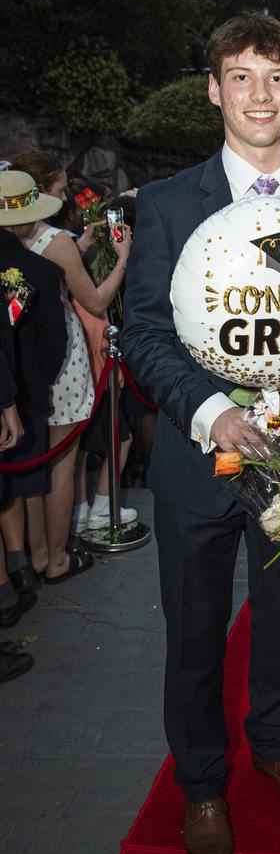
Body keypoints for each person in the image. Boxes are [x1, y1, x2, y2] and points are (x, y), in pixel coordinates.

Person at [121, 10, 280, 854]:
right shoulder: (166, 202)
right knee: (193, 631)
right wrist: (209, 411)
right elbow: (141, 332)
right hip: (198, 460)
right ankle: (202, 785)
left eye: (278, 77)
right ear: (216, 90)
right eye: (243, 77)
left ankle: (274, 745)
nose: (261, 95)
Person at [7, 156, 130, 582]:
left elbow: (44, 270)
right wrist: (121, 259)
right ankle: (57, 558)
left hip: (25, 361)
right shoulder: (55, 240)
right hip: (64, 359)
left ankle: (35, 552)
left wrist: (79, 246)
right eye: (59, 191)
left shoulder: (19, 241)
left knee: (32, 462)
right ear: (37, 194)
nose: (63, 199)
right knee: (62, 463)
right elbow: (95, 301)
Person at [0, 175, 68, 595]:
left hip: (14, 390)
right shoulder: (41, 270)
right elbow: (54, 344)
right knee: (26, 479)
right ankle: (22, 567)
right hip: (23, 394)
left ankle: (15, 569)